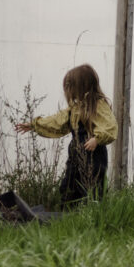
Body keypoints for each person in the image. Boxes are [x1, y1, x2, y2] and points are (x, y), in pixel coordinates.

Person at [13, 63, 116, 205]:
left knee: (92, 187)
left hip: (94, 155)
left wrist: (97, 139)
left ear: (81, 86)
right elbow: (56, 121)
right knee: (69, 186)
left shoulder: (98, 105)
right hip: (75, 154)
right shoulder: (75, 108)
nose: (68, 91)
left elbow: (109, 125)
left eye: (70, 86)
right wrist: (34, 124)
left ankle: (92, 212)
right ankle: (68, 212)